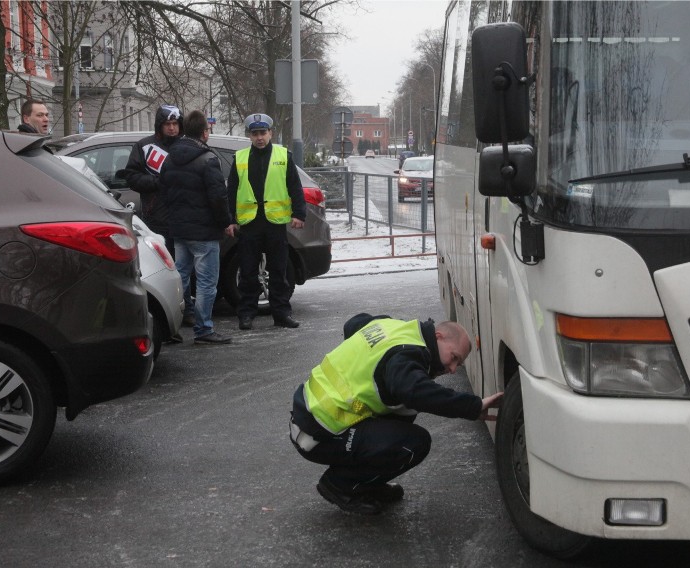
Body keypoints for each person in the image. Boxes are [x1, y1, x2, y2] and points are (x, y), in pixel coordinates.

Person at [289, 313, 504, 515]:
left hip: (308, 415)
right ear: (438, 336)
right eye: (454, 357)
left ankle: (367, 483)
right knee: (413, 443)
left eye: (459, 363)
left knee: (403, 412)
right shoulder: (407, 356)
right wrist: (473, 407)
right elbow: (417, 392)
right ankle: (341, 485)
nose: (453, 368)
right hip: (319, 433)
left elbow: (354, 324)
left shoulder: (396, 327)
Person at [226, 113, 306, 331]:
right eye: (255, 134)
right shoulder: (240, 158)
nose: (259, 137)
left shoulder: (283, 155)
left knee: (278, 272)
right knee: (248, 271)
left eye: (263, 133)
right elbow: (231, 191)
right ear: (249, 136)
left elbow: (295, 187)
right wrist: (230, 220)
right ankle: (246, 314)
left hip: (274, 223)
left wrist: (299, 214)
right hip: (249, 224)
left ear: (271, 133)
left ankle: (281, 314)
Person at [160, 110, 233, 345]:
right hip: (203, 231)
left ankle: (176, 323)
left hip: (179, 229)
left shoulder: (170, 157)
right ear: (205, 132)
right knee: (206, 281)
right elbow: (218, 197)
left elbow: (164, 190)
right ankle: (203, 329)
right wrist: (225, 222)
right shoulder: (207, 159)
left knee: (181, 275)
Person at [121, 104, 193, 327]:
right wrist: (157, 182)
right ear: (159, 126)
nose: (171, 128)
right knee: (161, 269)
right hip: (156, 218)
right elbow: (131, 176)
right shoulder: (144, 147)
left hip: (184, 217)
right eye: (167, 124)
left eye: (175, 124)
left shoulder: (187, 146)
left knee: (183, 268)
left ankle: (187, 310)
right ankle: (164, 312)